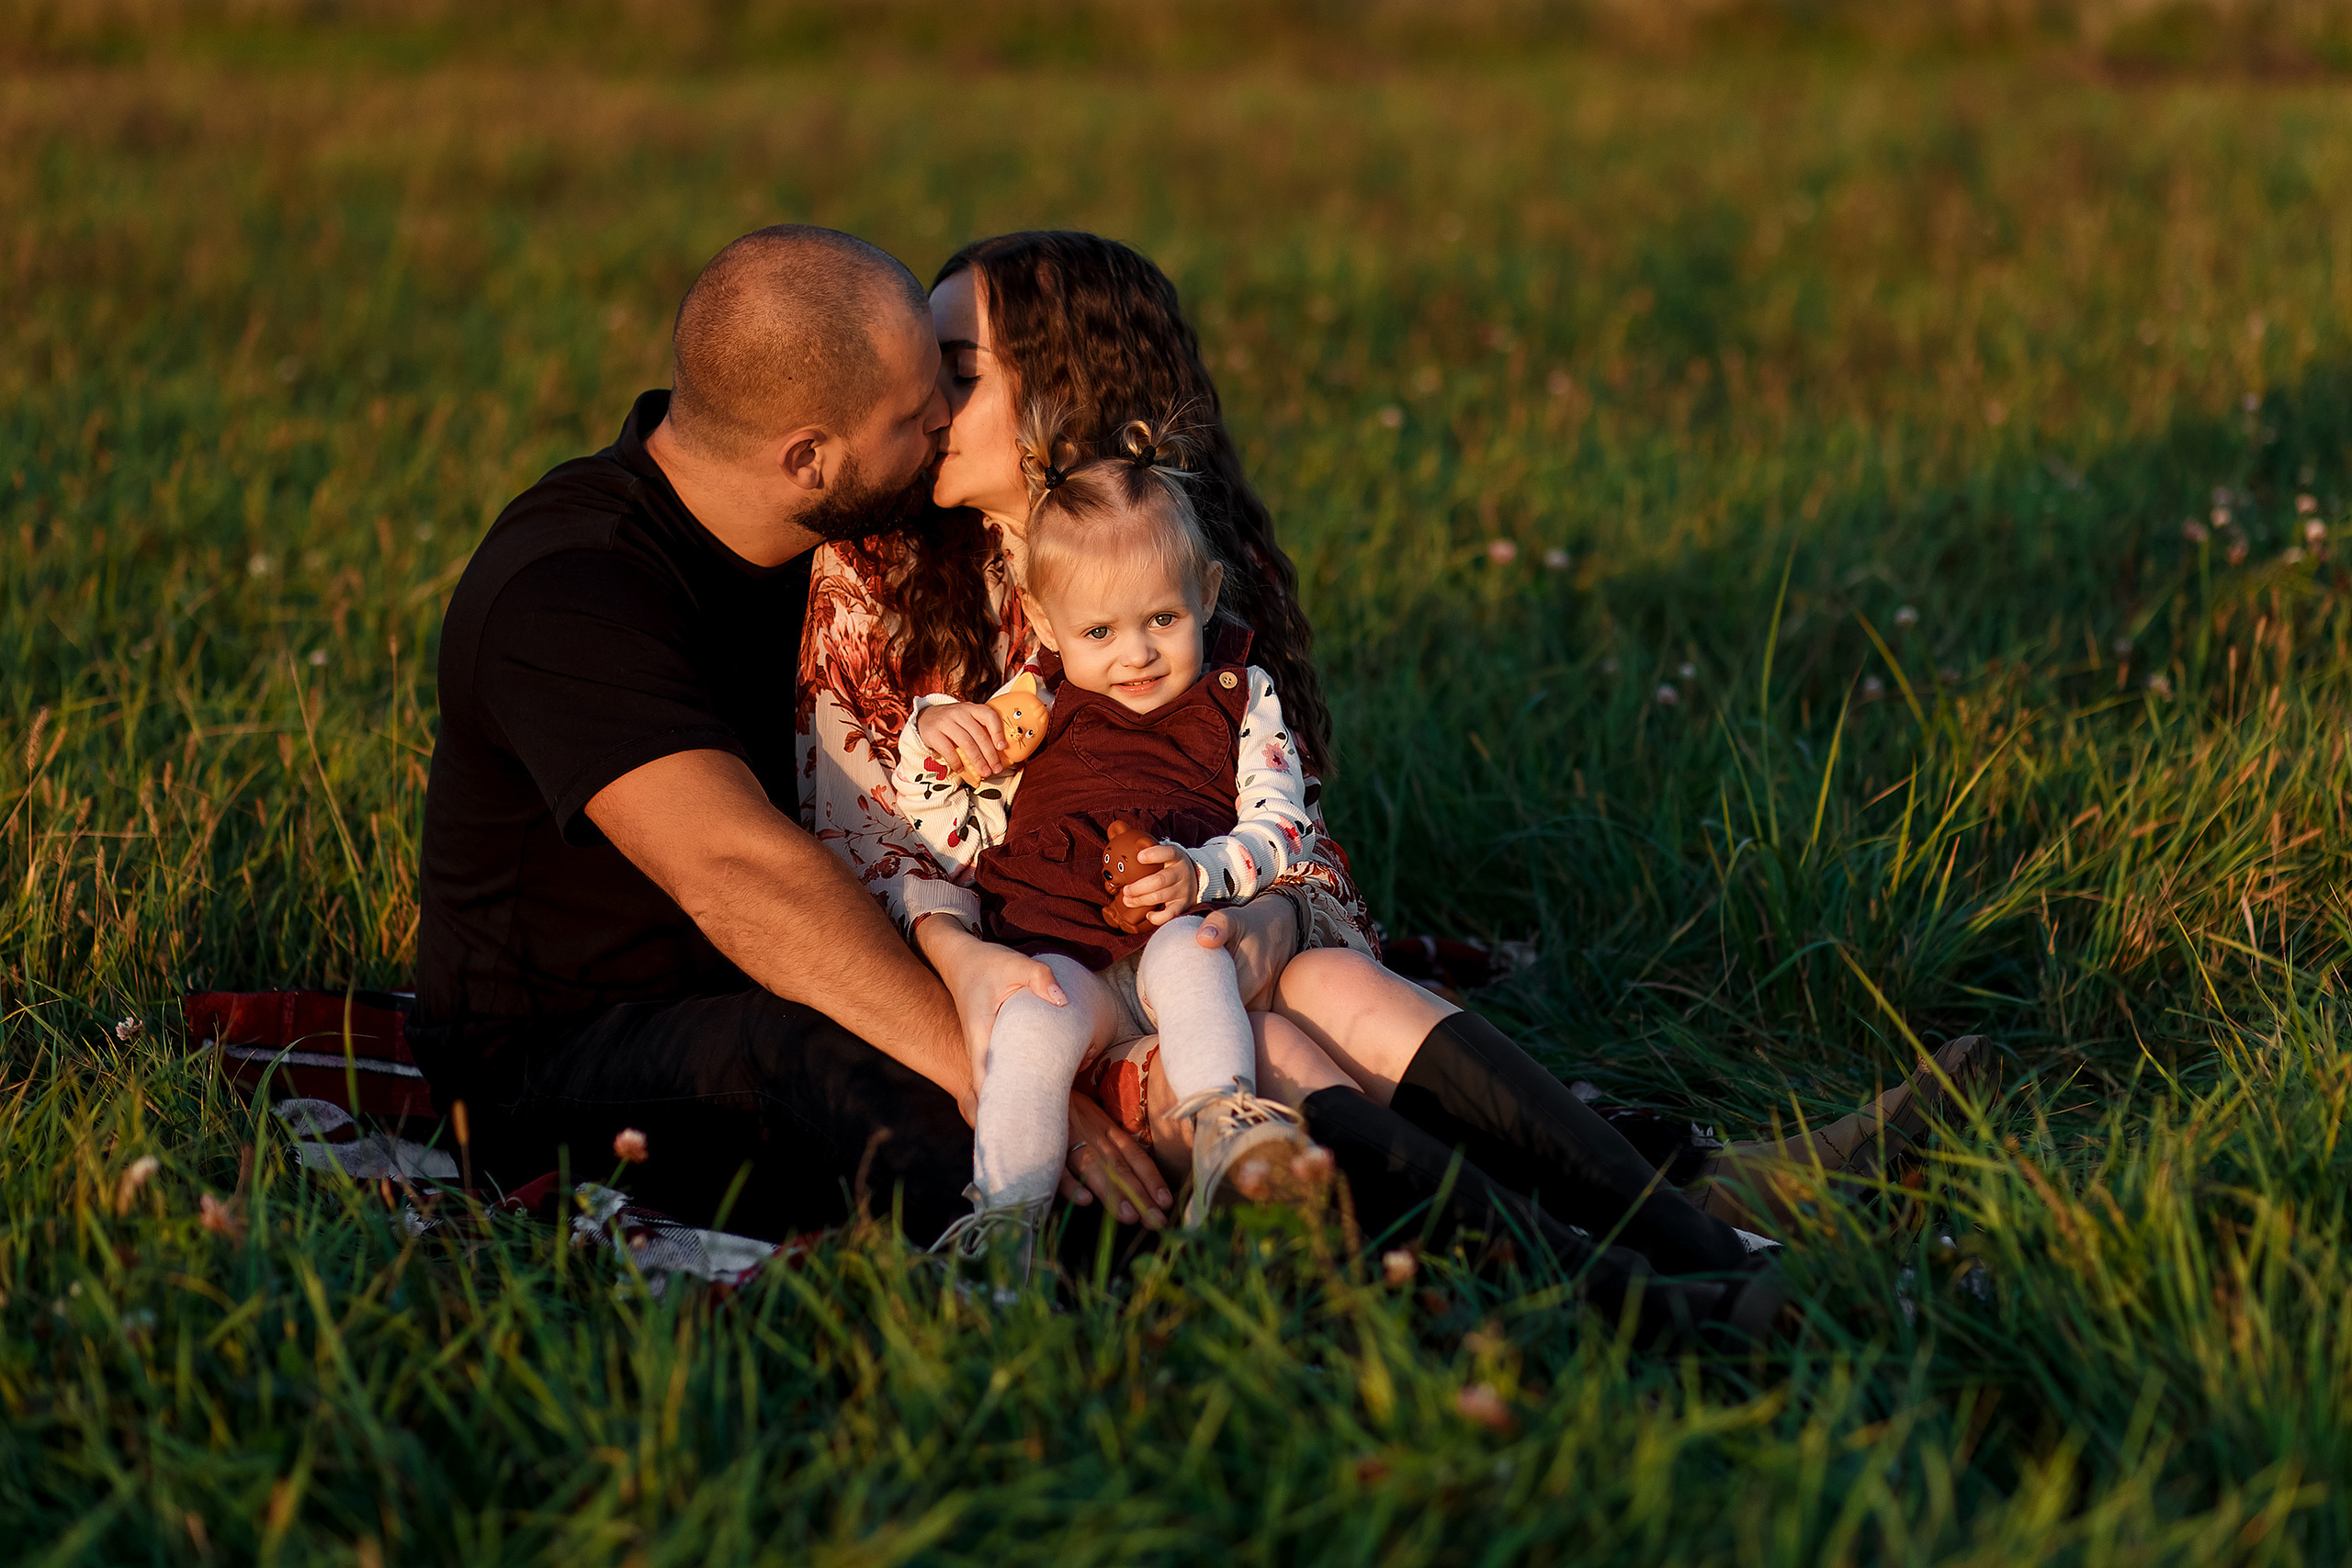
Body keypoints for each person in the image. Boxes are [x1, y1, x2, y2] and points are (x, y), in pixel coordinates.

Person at [798, 230, 1986, 1336]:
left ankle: (1698, 1231)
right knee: (1279, 1050)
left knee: (1312, 972)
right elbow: (875, 862)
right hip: (1024, 996)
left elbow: (1293, 829)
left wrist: (1257, 913)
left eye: (958, 370)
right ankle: (1642, 1272)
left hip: (1198, 944)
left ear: (1071, 392)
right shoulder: (883, 576)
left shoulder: (1186, 568)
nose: (924, 404)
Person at [409, 225, 983, 1247]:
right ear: (807, 458)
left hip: (787, 970)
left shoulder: (846, 542)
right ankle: (1116, 1279)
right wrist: (1010, 1074)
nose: (948, 419)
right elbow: (736, 873)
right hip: (566, 1055)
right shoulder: (571, 587)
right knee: (848, 1073)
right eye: (916, 413)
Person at [897, 416, 1334, 1247]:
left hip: (1172, 935)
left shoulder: (1242, 697)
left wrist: (1203, 873)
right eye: (1099, 632)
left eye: (1162, 620)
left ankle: (1225, 1130)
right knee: (1028, 1026)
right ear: (1047, 622)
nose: (1135, 655)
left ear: (1205, 593)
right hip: (1063, 951)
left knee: (1194, 955)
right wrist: (939, 731)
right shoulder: (1036, 703)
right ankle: (1004, 1221)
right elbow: (943, 824)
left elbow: (1285, 825)